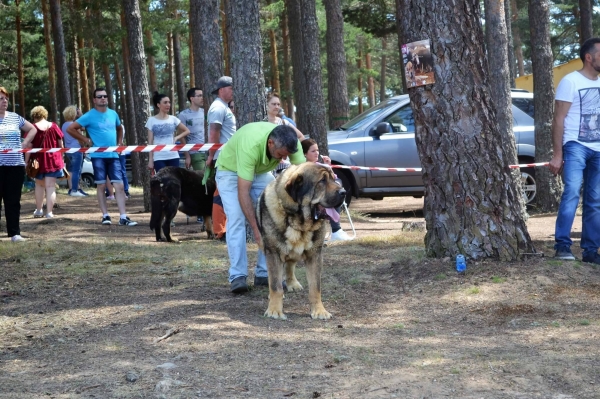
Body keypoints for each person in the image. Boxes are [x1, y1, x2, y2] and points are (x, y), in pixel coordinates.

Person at [216, 122, 306, 293]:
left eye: (286, 156)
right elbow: (243, 192)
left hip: (260, 171)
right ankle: (238, 276)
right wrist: (257, 232)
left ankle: (264, 273)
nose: (283, 160)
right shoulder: (250, 145)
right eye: (280, 155)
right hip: (231, 171)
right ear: (270, 143)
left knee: (273, 216)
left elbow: (302, 175)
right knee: (236, 217)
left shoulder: (292, 143)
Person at [550, 37, 600, 264]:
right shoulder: (570, 81)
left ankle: (590, 251)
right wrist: (557, 154)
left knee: (595, 200)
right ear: (589, 57)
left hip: (598, 149)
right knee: (571, 192)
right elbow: (558, 119)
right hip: (575, 145)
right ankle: (562, 246)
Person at [66, 87, 138, 226]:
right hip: (98, 155)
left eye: (105, 96)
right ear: (94, 100)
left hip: (114, 155)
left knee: (120, 186)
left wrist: (119, 142)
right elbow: (70, 129)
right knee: (101, 185)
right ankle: (105, 216)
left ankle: (123, 217)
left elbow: (119, 128)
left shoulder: (113, 113)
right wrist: (85, 140)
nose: (103, 98)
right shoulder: (88, 115)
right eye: (99, 96)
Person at [0, 86, 36, 242]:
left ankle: (15, 233)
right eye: (1, 98)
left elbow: (32, 129)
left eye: (6, 98)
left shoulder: (15, 117)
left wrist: (26, 141)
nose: (5, 101)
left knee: (13, 201)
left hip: (15, 165)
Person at [301, 138, 353, 242]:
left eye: (317, 150)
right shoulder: (302, 169)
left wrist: (329, 167)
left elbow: (333, 180)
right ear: (305, 154)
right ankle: (333, 230)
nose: (316, 153)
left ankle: (336, 230)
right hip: (311, 197)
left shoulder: (322, 166)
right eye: (313, 151)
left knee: (336, 192)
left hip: (325, 195)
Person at [22, 106, 65, 219]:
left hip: (38, 162)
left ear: (35, 116)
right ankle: (49, 213)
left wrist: (26, 162)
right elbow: (61, 145)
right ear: (45, 115)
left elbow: (29, 147)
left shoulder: (33, 128)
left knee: (39, 186)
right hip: (54, 161)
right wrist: (61, 159)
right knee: (51, 187)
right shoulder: (54, 126)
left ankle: (39, 210)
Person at [207, 76, 236, 241]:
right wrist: (211, 155)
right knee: (221, 193)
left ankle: (223, 228)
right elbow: (214, 133)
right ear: (221, 89)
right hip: (223, 157)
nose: (233, 91)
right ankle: (220, 230)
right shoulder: (218, 107)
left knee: (226, 192)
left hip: (229, 157)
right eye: (231, 87)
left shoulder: (223, 107)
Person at [146, 92, 191, 173]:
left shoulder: (173, 119)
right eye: (165, 102)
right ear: (158, 105)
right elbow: (150, 142)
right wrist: (150, 160)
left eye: (169, 102)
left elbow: (187, 131)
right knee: (163, 181)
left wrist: (177, 137)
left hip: (173, 155)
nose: (168, 104)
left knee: (174, 180)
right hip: (158, 157)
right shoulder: (151, 120)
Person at [61, 105, 88, 197]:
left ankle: (71, 189)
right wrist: (83, 146)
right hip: (77, 149)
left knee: (71, 171)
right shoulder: (74, 125)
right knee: (77, 171)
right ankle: (75, 190)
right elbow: (81, 133)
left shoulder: (64, 125)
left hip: (68, 150)